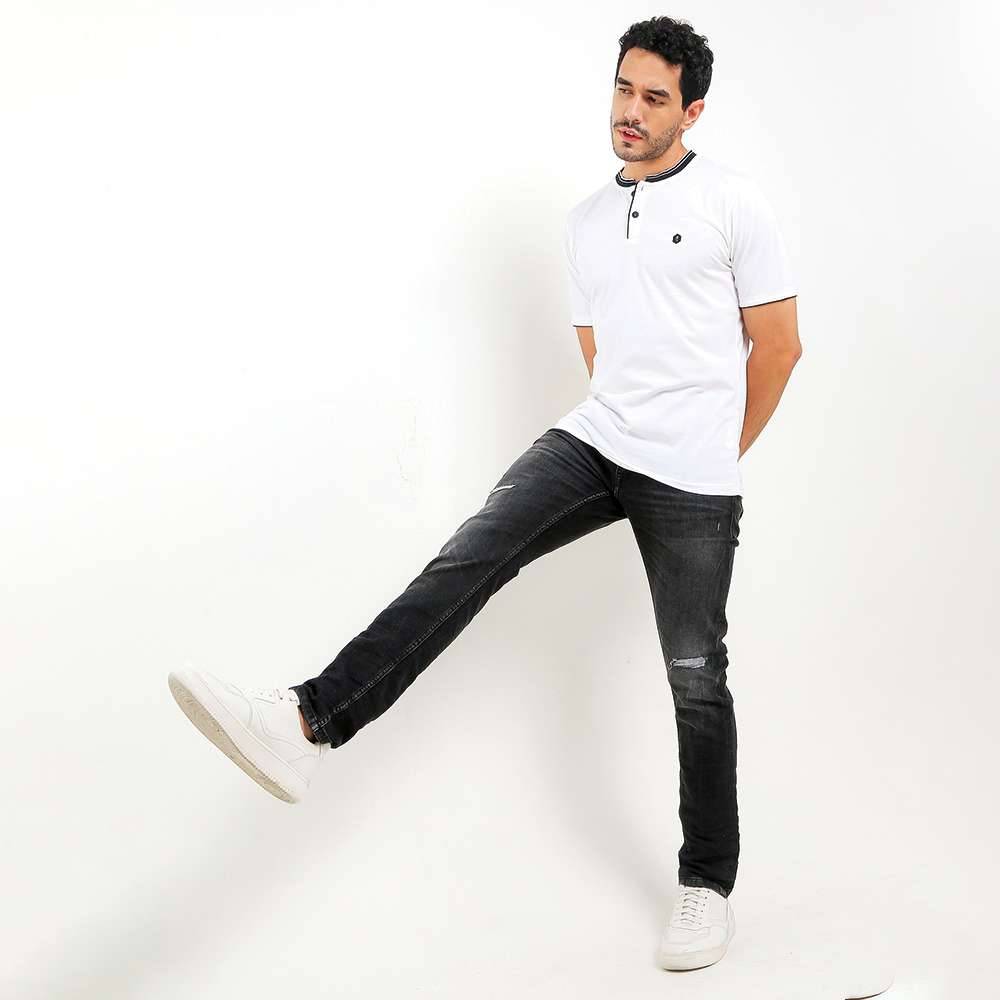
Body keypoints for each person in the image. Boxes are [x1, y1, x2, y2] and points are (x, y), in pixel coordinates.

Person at [168, 15, 800, 973]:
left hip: (694, 477)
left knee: (695, 675)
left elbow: (779, 348)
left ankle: (707, 884)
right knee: (468, 557)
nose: (631, 111)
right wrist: (632, 425)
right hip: (597, 440)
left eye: (654, 98)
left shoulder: (733, 204)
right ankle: (304, 723)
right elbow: (601, 353)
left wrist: (713, 453)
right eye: (623, 89)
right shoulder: (585, 223)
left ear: (693, 111)